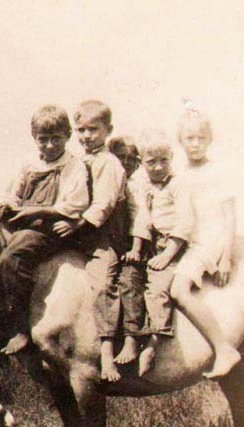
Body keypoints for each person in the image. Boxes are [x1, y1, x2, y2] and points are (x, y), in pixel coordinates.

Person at [0, 104, 89, 355]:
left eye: (55, 139)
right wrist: (8, 205)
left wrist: (36, 211)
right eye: (43, 140)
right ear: (34, 138)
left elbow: (74, 203)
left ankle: (21, 328)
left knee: (11, 258)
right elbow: (14, 192)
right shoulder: (29, 165)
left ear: (68, 137)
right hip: (28, 222)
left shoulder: (72, 166)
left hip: (52, 227)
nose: (49, 146)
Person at [169, 111, 241, 378]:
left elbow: (229, 215)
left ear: (209, 140)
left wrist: (225, 257)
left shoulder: (216, 172)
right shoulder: (181, 174)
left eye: (201, 137)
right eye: (190, 138)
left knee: (178, 290)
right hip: (189, 241)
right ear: (181, 141)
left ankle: (223, 348)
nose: (196, 143)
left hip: (208, 241)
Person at [73, 100, 126, 381]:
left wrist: (79, 224)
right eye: (80, 130)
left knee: (103, 285)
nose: (86, 136)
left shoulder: (109, 163)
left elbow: (103, 204)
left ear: (108, 130)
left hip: (104, 237)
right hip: (80, 236)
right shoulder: (77, 162)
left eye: (93, 129)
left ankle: (106, 354)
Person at [137, 131, 191, 376]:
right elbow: (144, 219)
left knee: (158, 287)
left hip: (175, 245)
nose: (158, 167)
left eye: (164, 161)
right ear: (142, 162)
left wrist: (168, 254)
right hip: (155, 243)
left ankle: (154, 342)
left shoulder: (178, 185)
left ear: (171, 158)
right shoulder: (146, 187)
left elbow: (185, 223)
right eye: (151, 162)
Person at [107, 136, 149, 365]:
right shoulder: (110, 180)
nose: (125, 163)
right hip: (112, 246)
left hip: (135, 246)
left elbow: (141, 218)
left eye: (130, 159)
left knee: (129, 280)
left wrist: (136, 248)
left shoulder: (135, 186)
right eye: (119, 157)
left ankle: (132, 339)